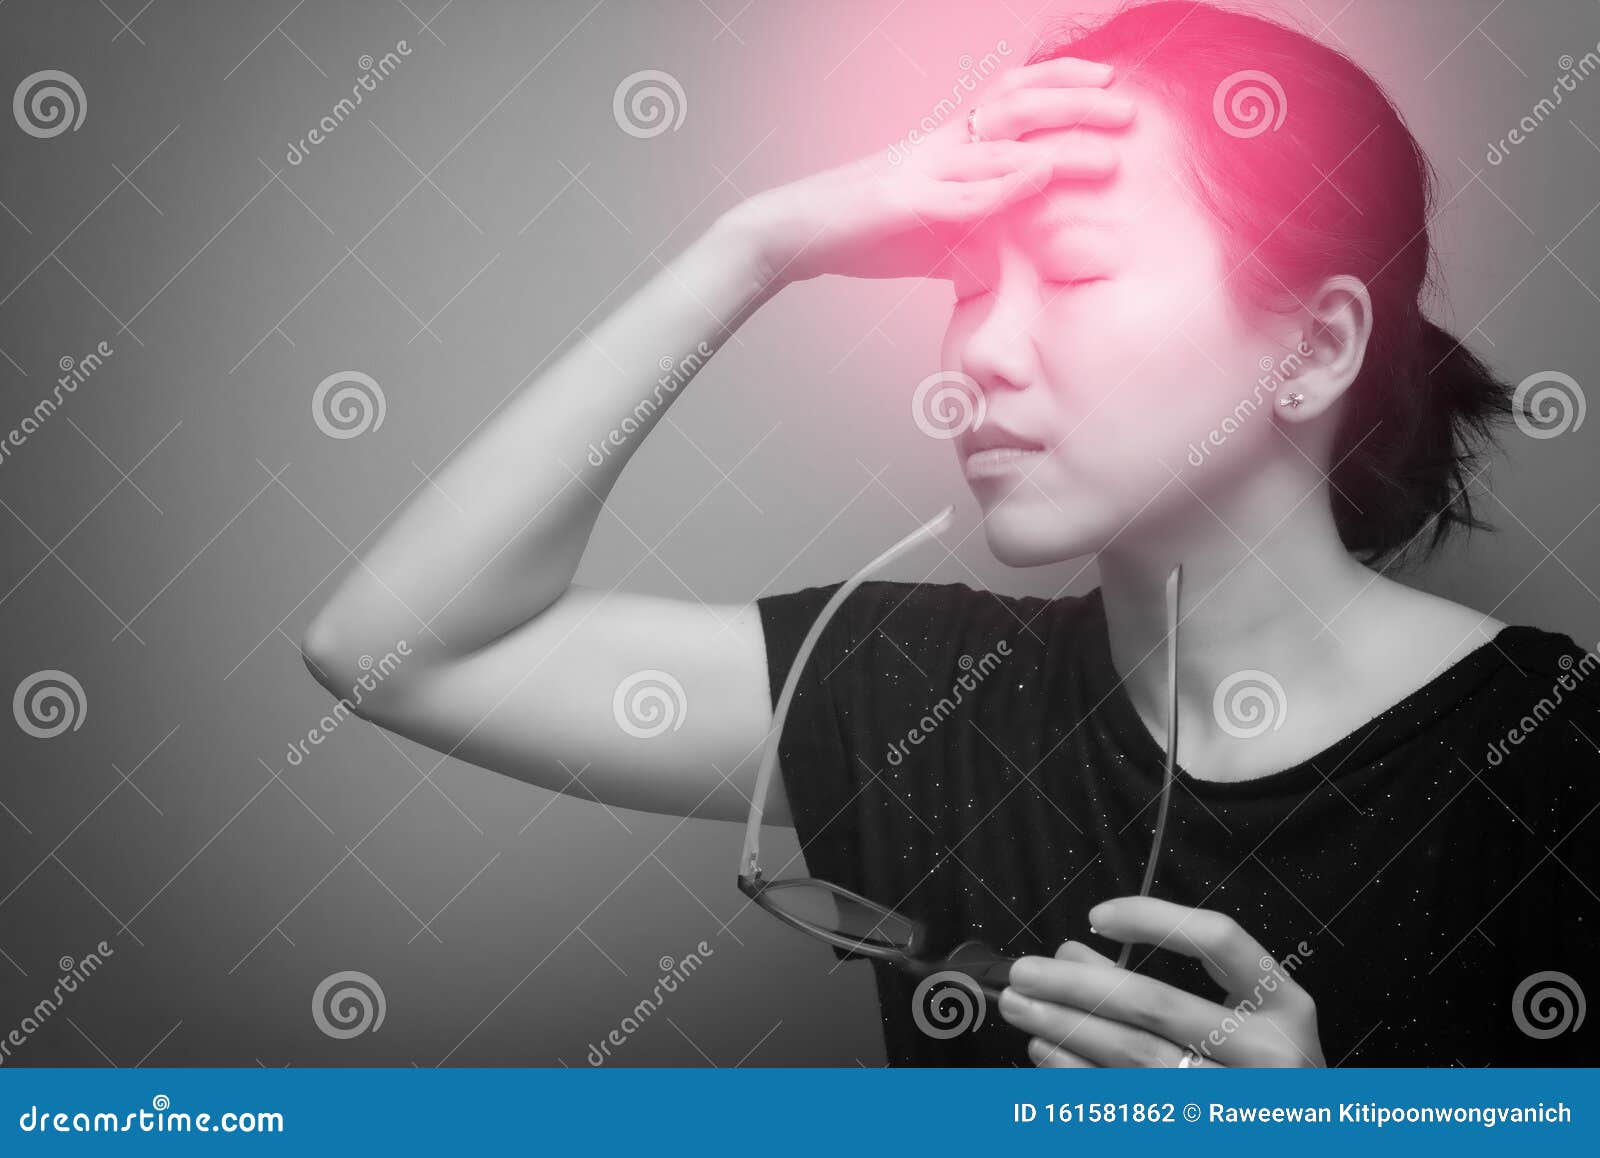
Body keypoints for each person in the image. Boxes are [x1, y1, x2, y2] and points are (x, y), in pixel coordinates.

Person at [300, 1, 1598, 1066]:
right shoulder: (916, 693)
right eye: (967, 281)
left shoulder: (1555, 759)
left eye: (1076, 269)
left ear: (1313, 347)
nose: (976, 344)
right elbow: (394, 649)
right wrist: (763, 245)